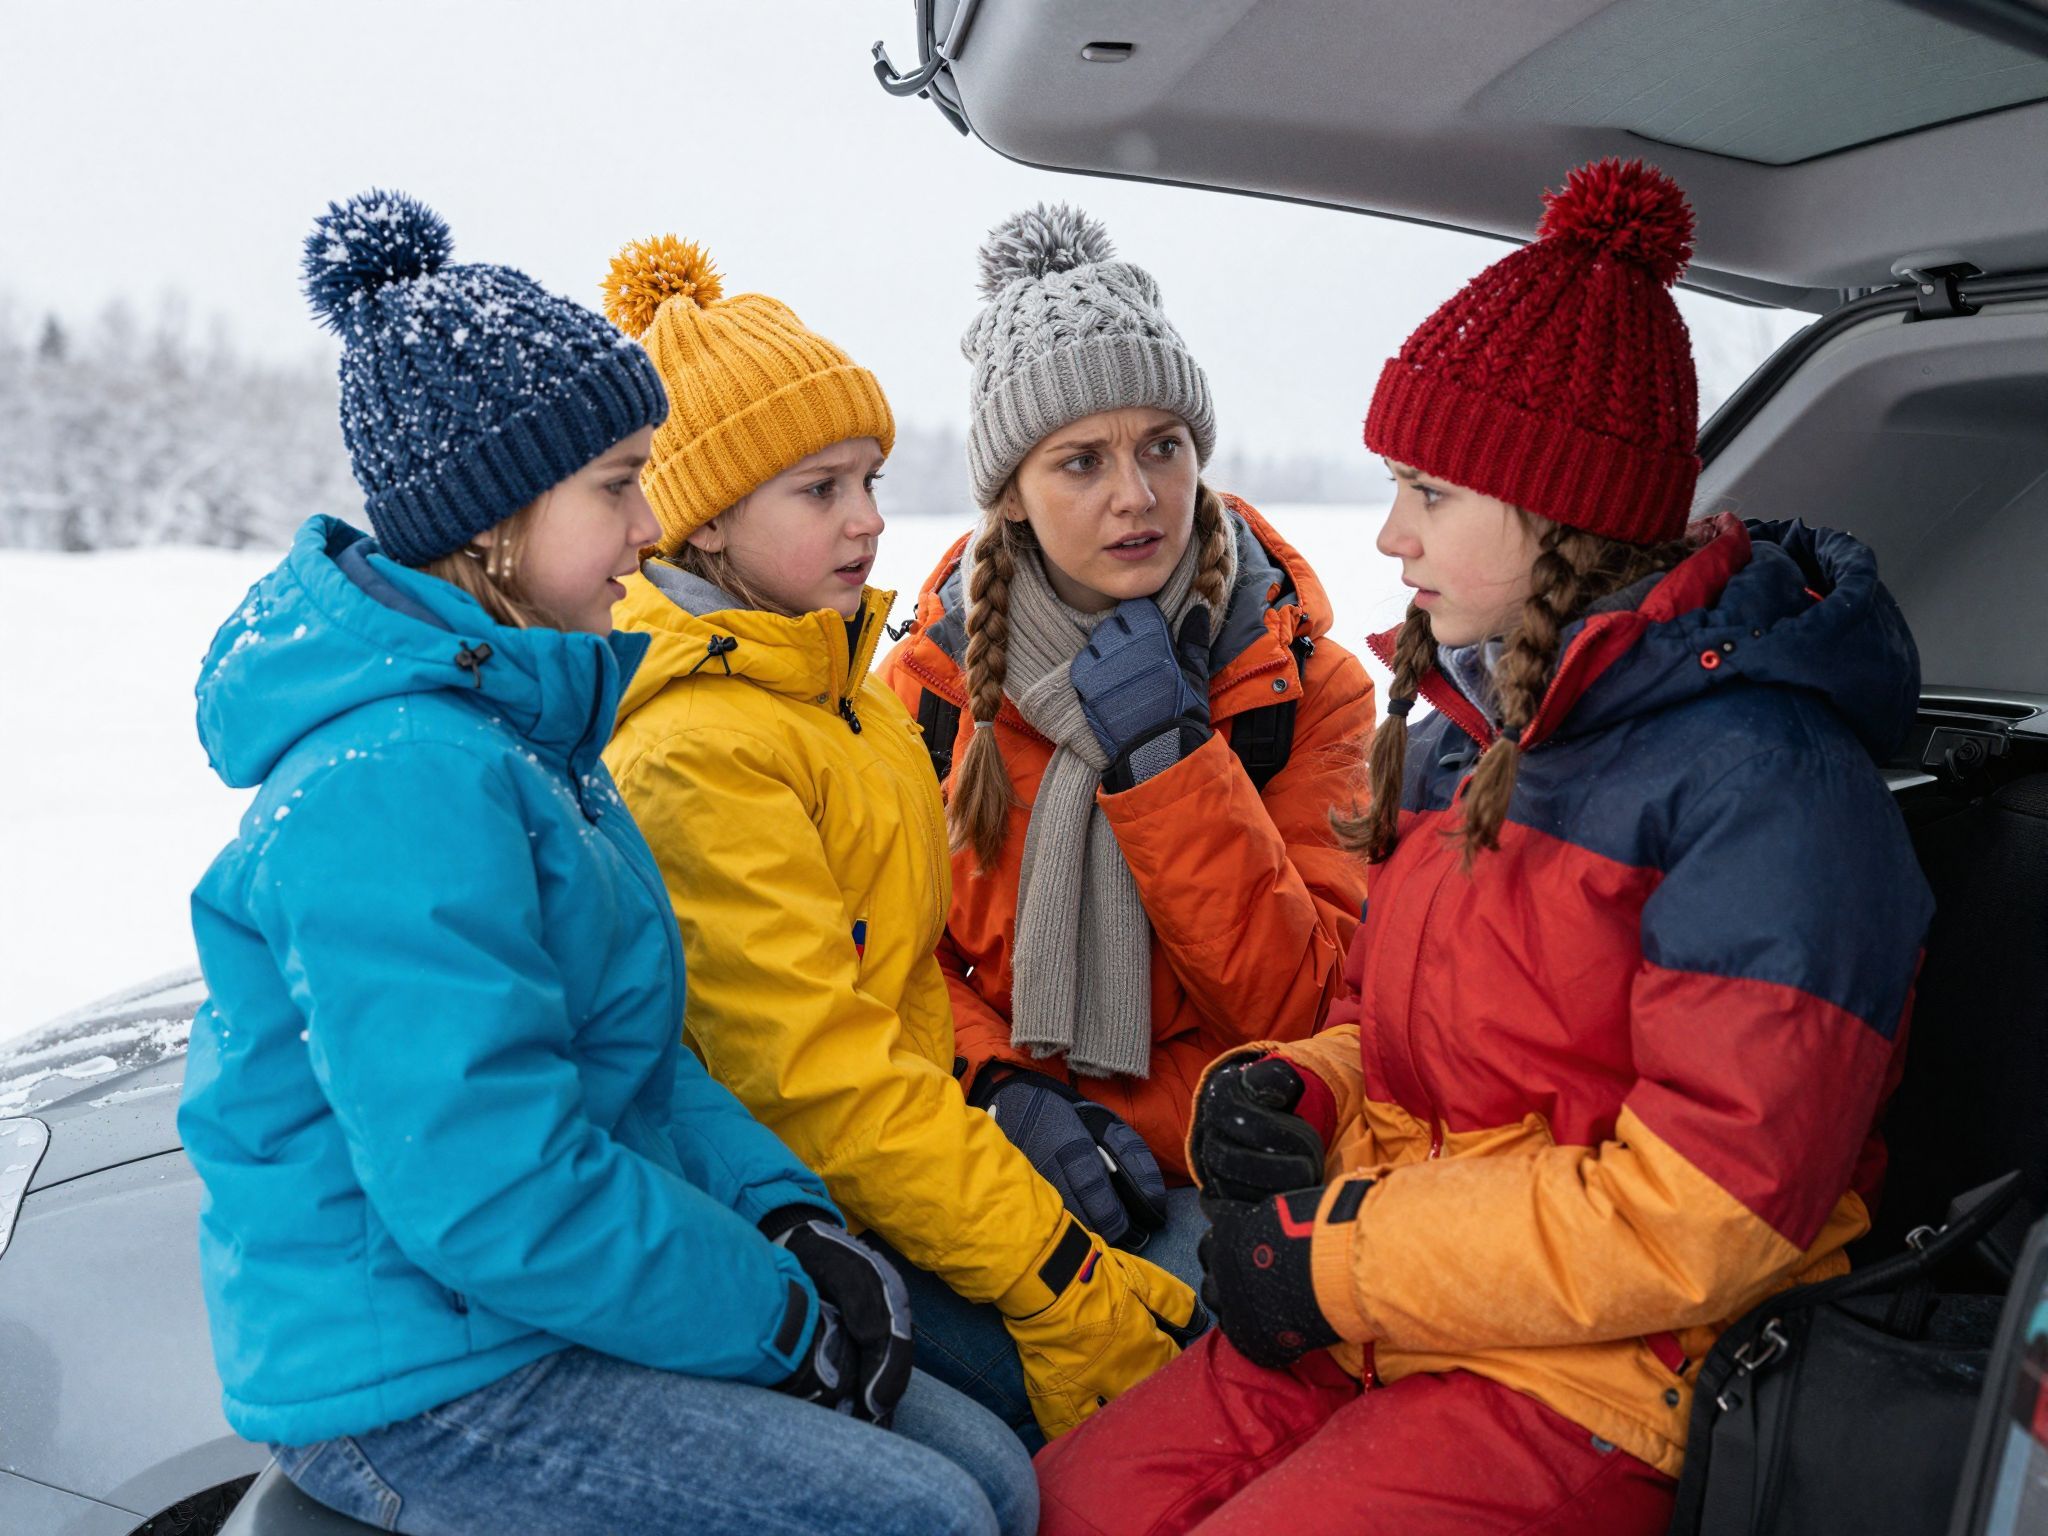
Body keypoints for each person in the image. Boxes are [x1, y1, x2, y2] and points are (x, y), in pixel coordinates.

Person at [1031, 159, 1934, 1536]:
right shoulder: (1472, 731)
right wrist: (1296, 1091)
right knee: (1055, 1506)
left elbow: (1705, 1214)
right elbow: (1389, 1033)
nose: (1390, 534)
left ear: (1559, 508)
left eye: (1429, 492)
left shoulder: (1770, 789)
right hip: (1387, 1318)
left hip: (1605, 1380)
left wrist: (1336, 1261)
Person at [180, 192, 1034, 1536]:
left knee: (995, 1476)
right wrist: (773, 1317)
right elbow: (487, 1184)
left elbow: (638, 1059)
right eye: (618, 484)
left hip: (535, 1289)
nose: (649, 525)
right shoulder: (396, 780)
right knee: (927, 1517)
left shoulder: (527, 733)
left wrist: (783, 1216)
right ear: (496, 517)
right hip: (419, 1367)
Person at [596, 233, 1200, 1455]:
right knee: (1119, 1405)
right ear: (704, 525)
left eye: (867, 479)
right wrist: (1049, 1269)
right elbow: (817, 1082)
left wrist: (999, 1098)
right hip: (812, 1217)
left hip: (912, 1169)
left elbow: (906, 984)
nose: (869, 520)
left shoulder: (843, 697)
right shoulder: (698, 748)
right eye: (818, 490)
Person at [874, 205, 1375, 1427]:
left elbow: (1306, 1008)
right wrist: (999, 1091)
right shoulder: (926, 696)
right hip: (1004, 1163)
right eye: (1079, 462)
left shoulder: (1304, 688)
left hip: (1208, 1177)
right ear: (1010, 493)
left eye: (1162, 446)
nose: (1136, 496)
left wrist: (1170, 764)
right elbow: (887, 962)